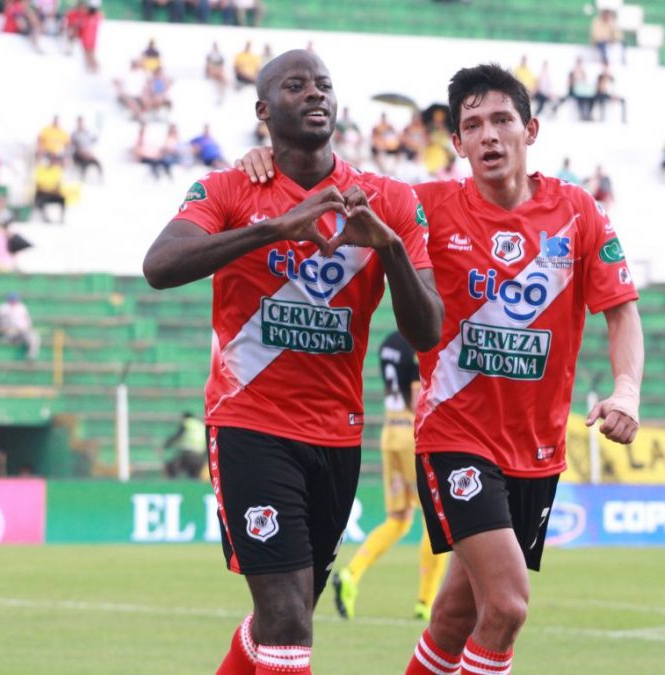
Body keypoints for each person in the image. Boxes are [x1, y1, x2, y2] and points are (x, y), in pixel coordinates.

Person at [234, 63, 643, 675]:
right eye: (472, 126)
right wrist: (266, 161)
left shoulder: (579, 212)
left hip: (536, 448)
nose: (488, 135)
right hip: (455, 436)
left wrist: (627, 389)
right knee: (506, 606)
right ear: (457, 143)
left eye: (502, 120)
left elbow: (621, 309)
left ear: (530, 130)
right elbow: (327, 183)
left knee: (454, 617)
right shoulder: (424, 207)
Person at [141, 49, 442, 675]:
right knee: (286, 618)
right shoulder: (229, 188)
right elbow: (160, 266)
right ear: (263, 109)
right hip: (249, 423)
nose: (314, 94)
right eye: (296, 85)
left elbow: (429, 330)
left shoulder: (387, 199)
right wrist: (276, 229)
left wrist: (388, 248)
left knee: (287, 614)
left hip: (337, 434)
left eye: (324, 85)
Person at [332, 330, 447, 621]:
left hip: (390, 431)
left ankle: (351, 573)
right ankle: (426, 601)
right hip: (411, 436)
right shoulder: (419, 340)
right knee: (436, 518)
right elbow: (417, 395)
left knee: (399, 519)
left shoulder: (388, 344)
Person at [0, 292, 42, 361]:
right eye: (12, 299)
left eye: (15, 299)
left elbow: (27, 319)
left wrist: (28, 327)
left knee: (34, 336)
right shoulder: (3, 307)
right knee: (7, 338)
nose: (13, 301)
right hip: (8, 331)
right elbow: (1, 321)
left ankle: (31, 356)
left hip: (22, 330)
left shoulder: (22, 307)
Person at [162, 412, 208, 478]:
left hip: (187, 453)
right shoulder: (201, 425)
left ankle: (171, 481)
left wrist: (166, 445)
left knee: (172, 467)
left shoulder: (187, 423)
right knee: (194, 474)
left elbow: (178, 435)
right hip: (200, 455)